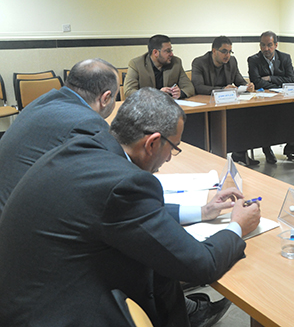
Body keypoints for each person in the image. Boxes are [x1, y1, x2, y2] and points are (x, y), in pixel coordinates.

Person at [0, 88, 261, 327]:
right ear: (152, 143)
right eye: (173, 148)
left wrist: (204, 211)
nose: (169, 158)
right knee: (161, 269)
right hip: (53, 313)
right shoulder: (124, 184)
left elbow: (125, 212)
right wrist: (237, 226)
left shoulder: (87, 146)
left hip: (24, 295)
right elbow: (201, 264)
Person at [0, 58, 118, 215]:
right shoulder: (87, 122)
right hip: (16, 219)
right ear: (106, 98)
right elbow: (114, 174)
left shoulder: (45, 100)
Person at [247, 31, 294, 163]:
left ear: (276, 45)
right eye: (263, 45)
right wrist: (279, 84)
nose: (266, 49)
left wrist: (270, 78)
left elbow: (292, 80)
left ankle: (291, 146)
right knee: (266, 118)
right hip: (263, 100)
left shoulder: (285, 58)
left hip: (283, 98)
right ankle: (266, 148)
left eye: (269, 45)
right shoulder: (253, 60)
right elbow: (257, 82)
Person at [124, 34, 195, 99]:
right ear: (155, 52)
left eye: (171, 50)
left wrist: (180, 93)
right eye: (168, 51)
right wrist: (156, 94)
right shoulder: (136, 64)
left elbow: (189, 88)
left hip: (169, 106)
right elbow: (129, 91)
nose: (171, 54)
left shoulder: (176, 62)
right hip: (146, 106)